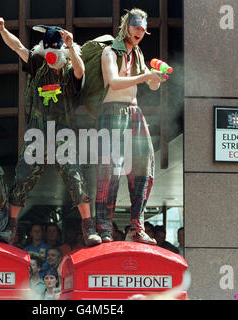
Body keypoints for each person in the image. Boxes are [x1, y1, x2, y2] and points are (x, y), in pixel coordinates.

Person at [0, 15, 102, 247]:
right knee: (22, 178)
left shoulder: (71, 69)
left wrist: (71, 46)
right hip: (37, 134)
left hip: (63, 136)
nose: (51, 54)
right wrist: (2, 30)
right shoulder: (38, 65)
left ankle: (88, 227)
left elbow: (81, 71)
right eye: (48, 48)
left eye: (55, 49)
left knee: (76, 178)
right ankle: (11, 228)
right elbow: (18, 47)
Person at [95, 8, 165, 244]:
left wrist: (156, 76)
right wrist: (145, 77)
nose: (140, 33)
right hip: (112, 112)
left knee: (144, 168)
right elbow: (114, 82)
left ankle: (137, 226)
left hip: (134, 112)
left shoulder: (138, 54)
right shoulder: (109, 52)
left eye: (144, 30)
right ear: (126, 26)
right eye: (137, 28)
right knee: (109, 172)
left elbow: (152, 86)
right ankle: (104, 226)